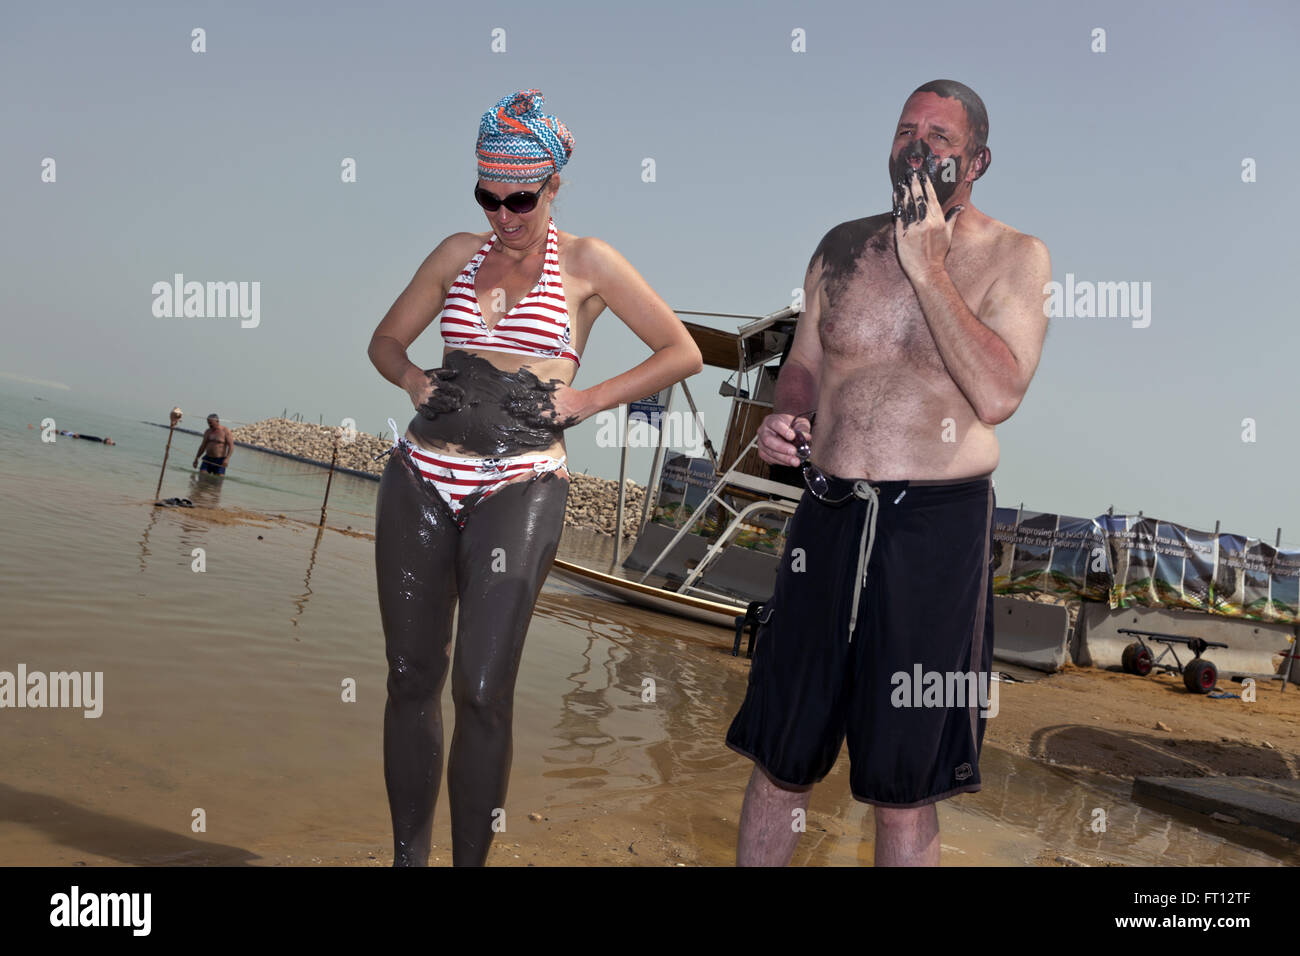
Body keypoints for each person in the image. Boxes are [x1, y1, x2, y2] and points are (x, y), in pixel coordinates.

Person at [367, 89, 701, 867]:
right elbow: (385, 340)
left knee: (481, 689)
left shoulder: (591, 264)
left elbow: (679, 351)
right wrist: (414, 381)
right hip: (419, 476)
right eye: (488, 197)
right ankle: (406, 860)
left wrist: (584, 399)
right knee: (411, 675)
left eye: (519, 198)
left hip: (520, 486)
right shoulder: (458, 254)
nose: (503, 215)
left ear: (554, 183)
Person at [725, 79, 1051, 866]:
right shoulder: (841, 245)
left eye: (940, 136)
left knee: (903, 785)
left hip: (932, 529)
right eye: (907, 128)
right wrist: (786, 412)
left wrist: (928, 265)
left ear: (978, 159)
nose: (918, 144)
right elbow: (802, 362)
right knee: (781, 755)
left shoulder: (1016, 258)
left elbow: (999, 392)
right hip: (828, 512)